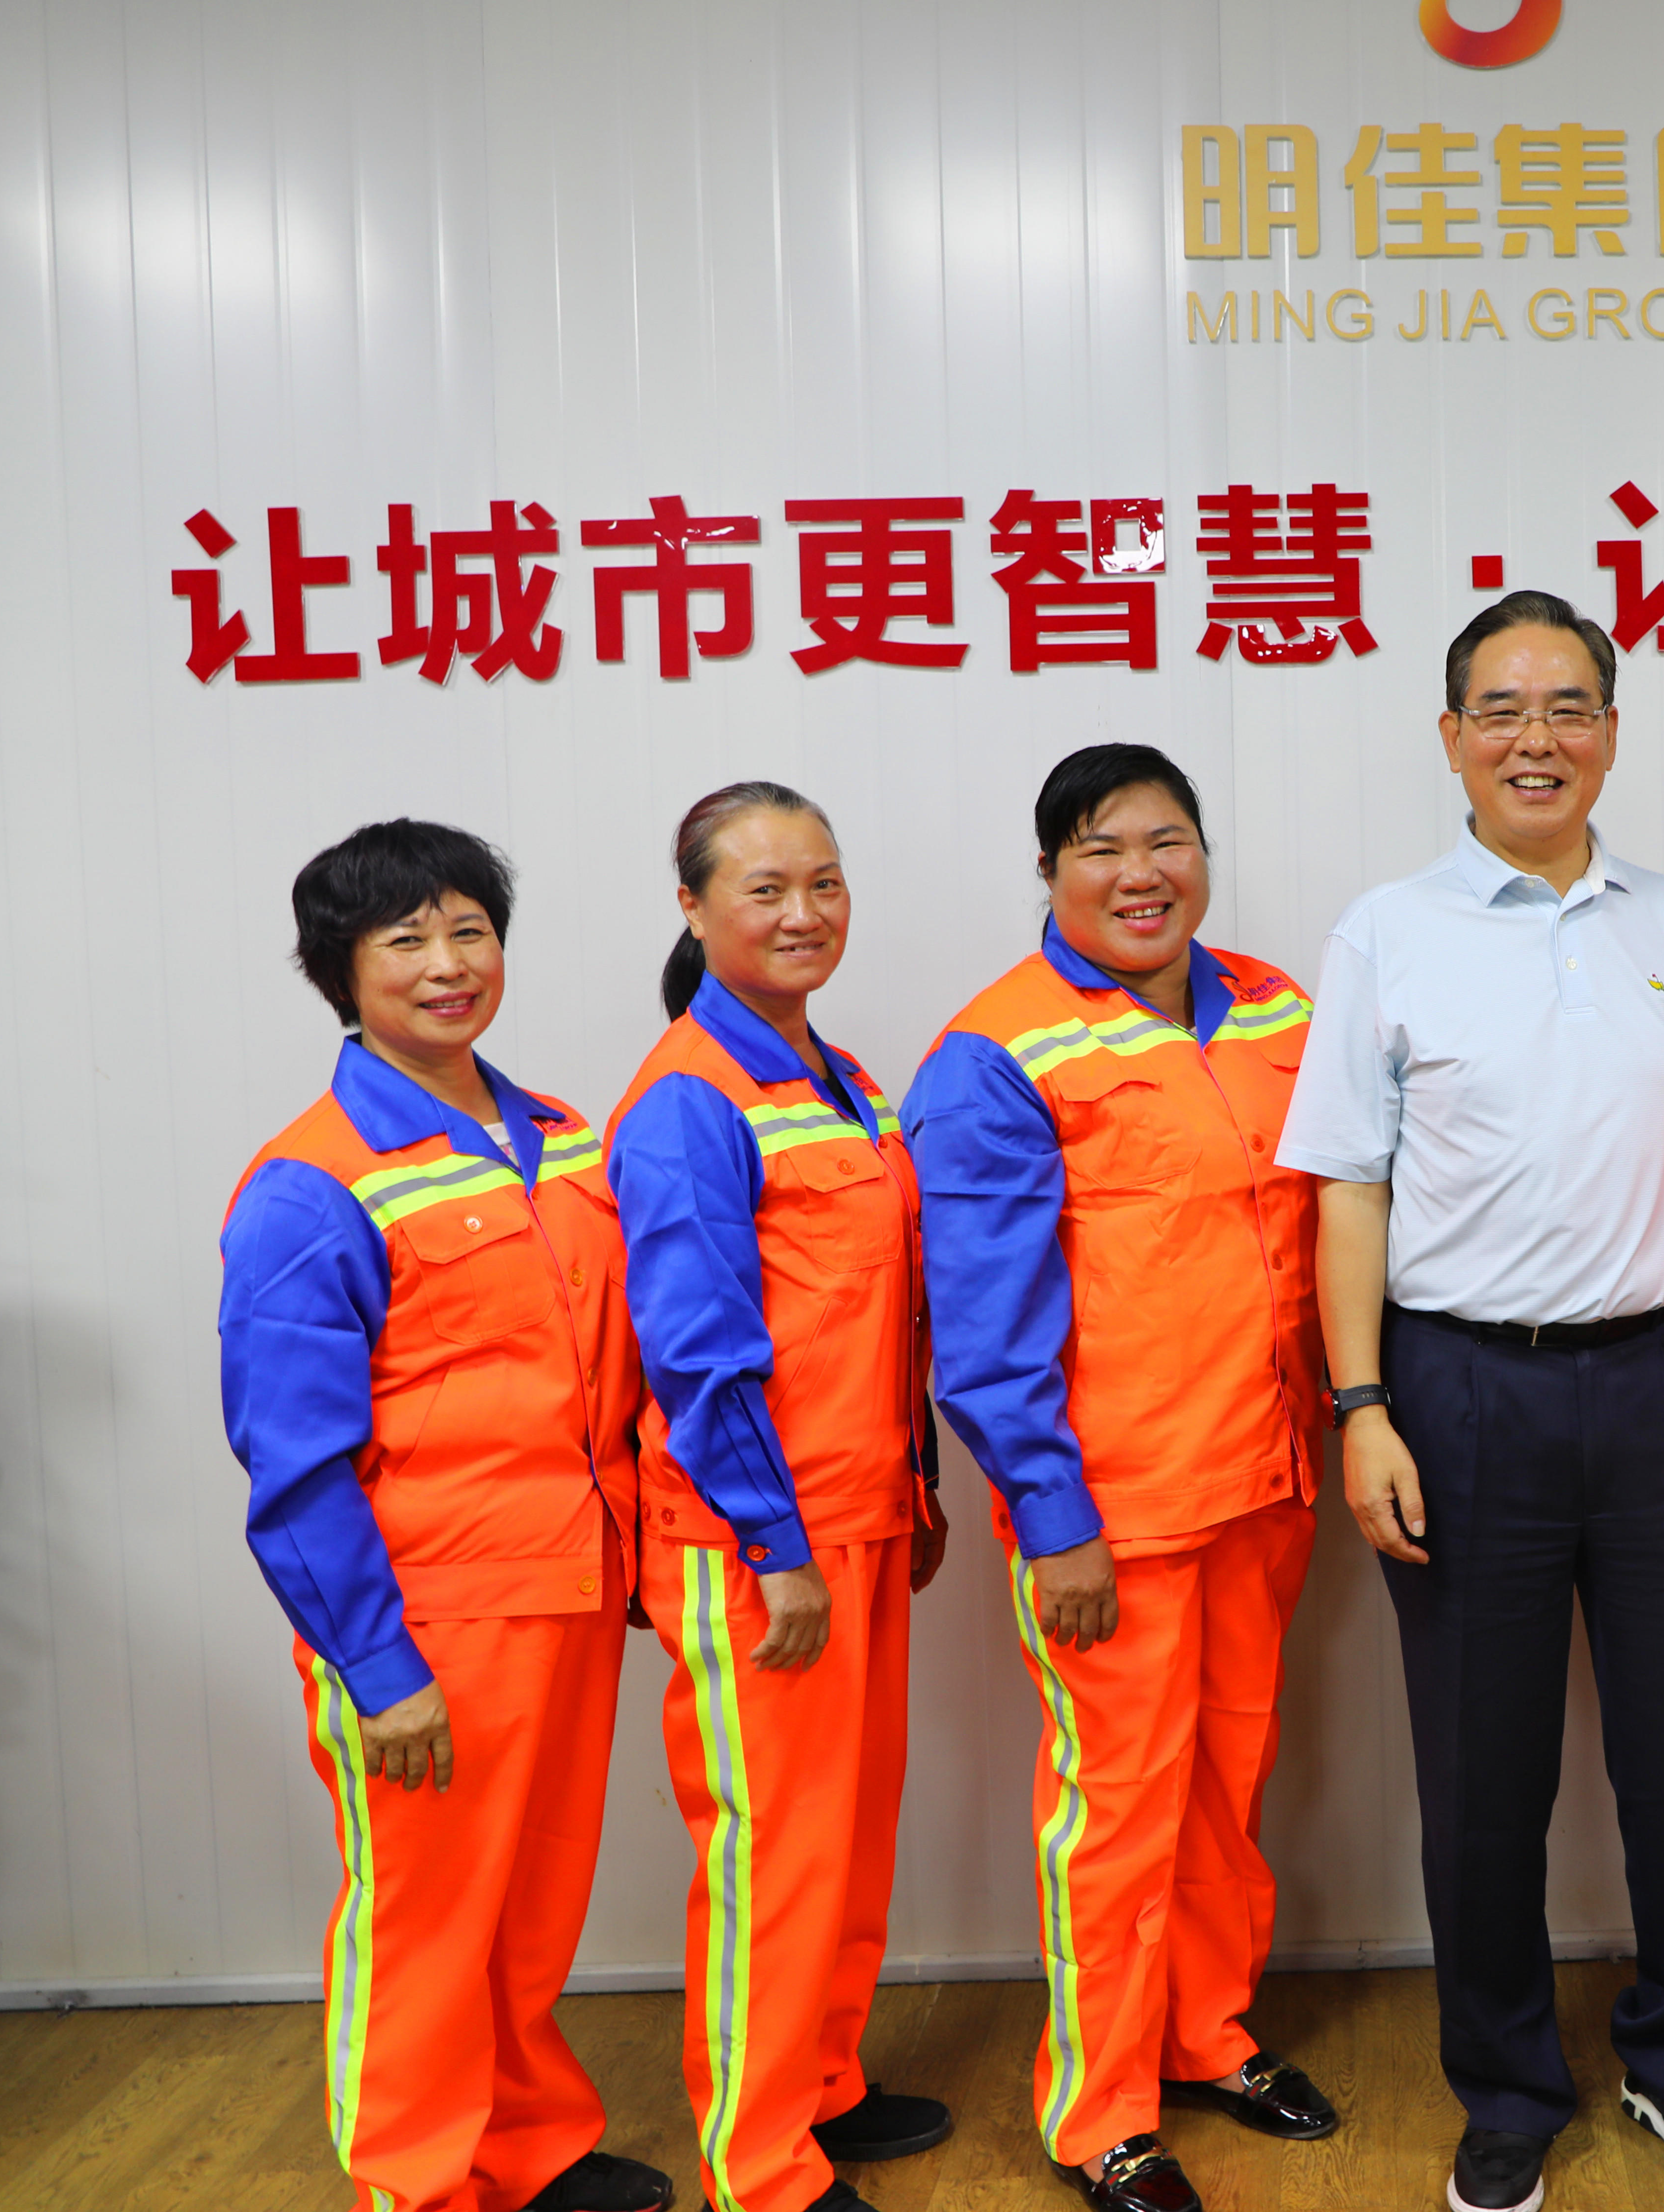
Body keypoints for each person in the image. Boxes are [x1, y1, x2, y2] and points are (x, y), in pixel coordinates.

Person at [1280, 589, 1664, 2212]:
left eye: (1568, 707)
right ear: (1451, 739)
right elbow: (1348, 1188)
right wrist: (1363, 1403)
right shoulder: (1387, 932)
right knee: (1482, 1776)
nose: (1536, 739)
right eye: (1501, 710)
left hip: (1662, 1381)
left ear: (1613, 734)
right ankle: (1504, 2087)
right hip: (1459, 1390)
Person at [218, 819, 668, 2212]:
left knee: (532, 1904)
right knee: (426, 1923)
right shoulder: (310, 1184)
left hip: (568, 1589)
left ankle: (526, 2147)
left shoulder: (559, 1137)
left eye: (469, 929)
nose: (447, 963)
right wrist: (377, 1665)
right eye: (405, 939)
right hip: (430, 1623)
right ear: (340, 975)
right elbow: (294, 1466)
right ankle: (419, 2184)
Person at [919, 744, 1339, 2212]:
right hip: (1116, 1512)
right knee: (1114, 1812)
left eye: (1168, 842)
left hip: (1266, 1477)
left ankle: (1208, 2032)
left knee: (1227, 1783)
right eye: (1101, 849)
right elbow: (983, 1329)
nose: (1141, 875)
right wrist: (1056, 1521)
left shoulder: (1276, 1005)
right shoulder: (997, 1054)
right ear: (1049, 874)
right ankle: (1100, 2111)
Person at [606, 782, 952, 2212]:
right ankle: (761, 2167)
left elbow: (873, 1309)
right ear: (693, 909)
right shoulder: (688, 1098)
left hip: (862, 1513)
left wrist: (914, 1483)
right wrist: (775, 1544)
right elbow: (698, 1353)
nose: (804, 913)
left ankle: (821, 2083)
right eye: (765, 890)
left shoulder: (837, 1074)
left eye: (825, 882)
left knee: (848, 1832)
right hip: (763, 1542)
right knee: (773, 1851)